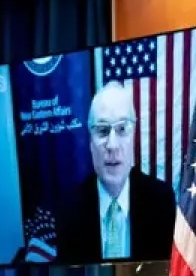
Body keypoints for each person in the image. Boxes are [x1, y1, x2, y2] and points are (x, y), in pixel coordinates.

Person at [54, 81, 177, 263]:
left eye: (121, 129)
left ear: (133, 136)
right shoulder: (69, 210)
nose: (112, 145)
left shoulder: (161, 201)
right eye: (102, 131)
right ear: (90, 142)